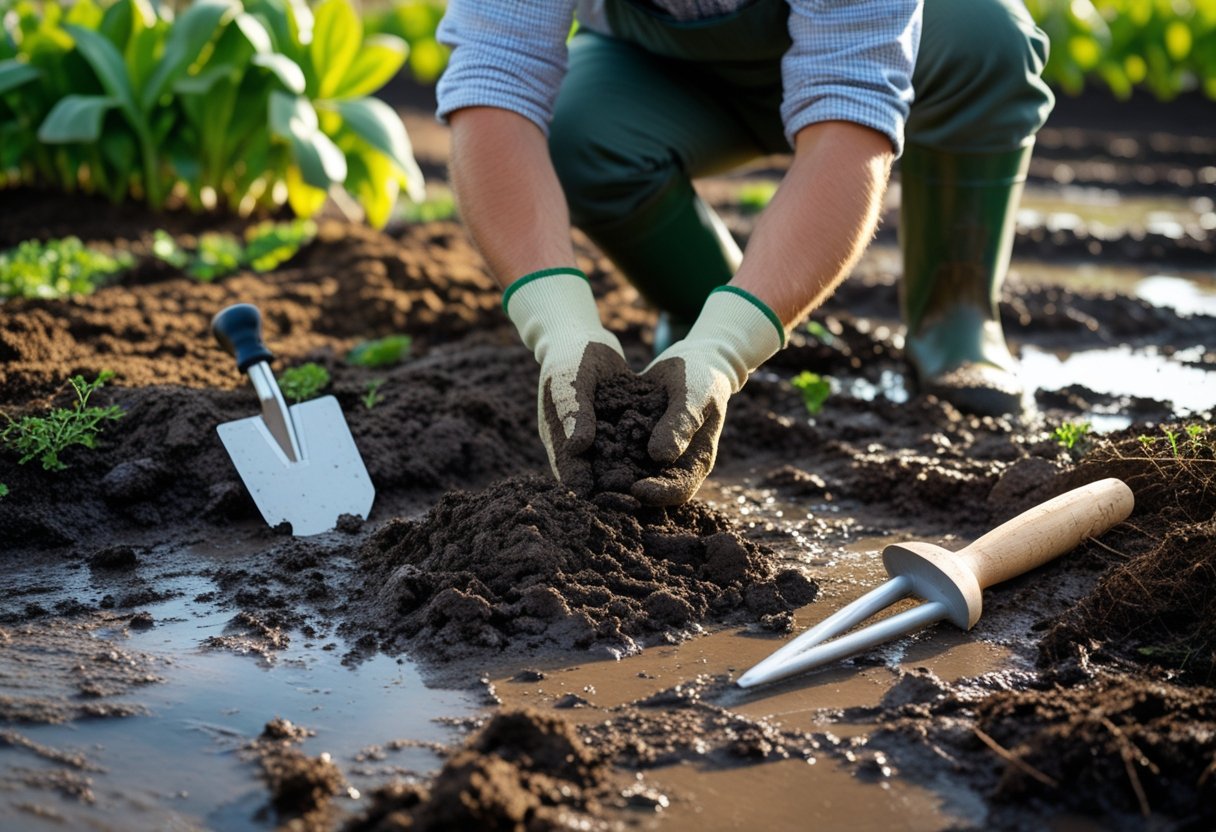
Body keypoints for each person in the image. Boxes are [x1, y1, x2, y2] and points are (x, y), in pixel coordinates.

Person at [435, 0, 1054, 505]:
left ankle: (957, 320)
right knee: (576, 133)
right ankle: (697, 303)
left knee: (987, 40)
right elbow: (496, 80)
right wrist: (560, 325)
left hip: (900, 49)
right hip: (663, 71)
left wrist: (727, 348)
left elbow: (850, 110)